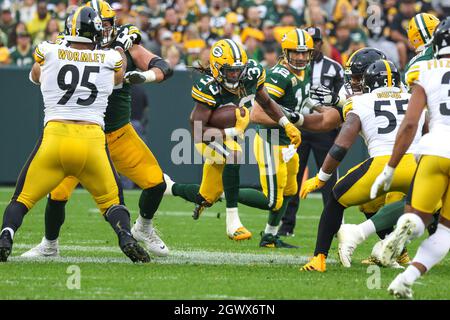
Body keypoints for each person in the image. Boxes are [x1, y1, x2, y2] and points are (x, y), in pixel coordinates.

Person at [21, 0, 173, 259]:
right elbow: (39, 73)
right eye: (98, 25)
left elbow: (164, 68)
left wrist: (144, 77)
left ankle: (143, 228)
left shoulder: (126, 46)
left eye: (107, 25)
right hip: (81, 133)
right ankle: (49, 244)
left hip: (117, 133)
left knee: (156, 183)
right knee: (58, 194)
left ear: (114, 25)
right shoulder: (69, 46)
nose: (102, 30)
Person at [299, 60, 425, 272]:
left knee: (337, 199)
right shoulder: (415, 98)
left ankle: (319, 258)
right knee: (432, 208)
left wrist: (322, 176)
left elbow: (341, 145)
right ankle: (397, 251)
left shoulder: (360, 102)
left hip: (381, 166)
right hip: (416, 166)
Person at [188, 38, 301, 240]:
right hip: (207, 137)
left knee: (206, 196)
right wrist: (233, 130)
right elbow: (198, 132)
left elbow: (266, 102)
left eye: (238, 70)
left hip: (230, 135)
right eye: (229, 70)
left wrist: (285, 123)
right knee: (234, 155)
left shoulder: (252, 73)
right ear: (216, 68)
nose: (234, 74)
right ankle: (233, 223)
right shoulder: (208, 87)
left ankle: (171, 188)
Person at [369, 18, 450, 299]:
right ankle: (408, 277)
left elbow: (409, 123)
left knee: (417, 215)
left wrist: (390, 167)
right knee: (446, 231)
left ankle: (408, 229)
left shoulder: (424, 69)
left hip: (434, 148)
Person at [250, 28, 314, 248]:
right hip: (271, 141)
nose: (301, 57)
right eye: (296, 52)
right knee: (272, 199)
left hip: (288, 144)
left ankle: (269, 236)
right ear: (286, 52)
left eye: (305, 53)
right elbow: (256, 114)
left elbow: (299, 102)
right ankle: (225, 192)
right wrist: (290, 121)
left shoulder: (305, 71)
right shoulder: (279, 74)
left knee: (290, 191)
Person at [279, 26, 344, 237]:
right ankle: (286, 225)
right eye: (310, 41)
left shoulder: (333, 67)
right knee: (293, 177)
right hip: (298, 126)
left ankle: (334, 225)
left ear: (320, 43)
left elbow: (342, 95)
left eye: (316, 41)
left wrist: (335, 119)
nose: (313, 45)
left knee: (328, 178)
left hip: (322, 128)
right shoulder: (292, 68)